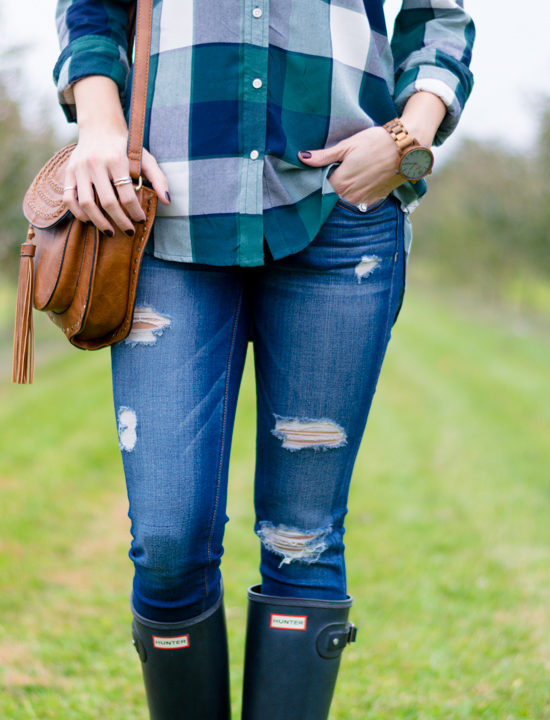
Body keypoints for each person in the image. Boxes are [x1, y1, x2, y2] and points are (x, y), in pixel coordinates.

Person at [53, 1, 474, 718]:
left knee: (302, 539)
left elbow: (441, 15)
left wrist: (408, 133)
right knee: (166, 539)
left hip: (342, 210)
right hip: (162, 213)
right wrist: (100, 123)